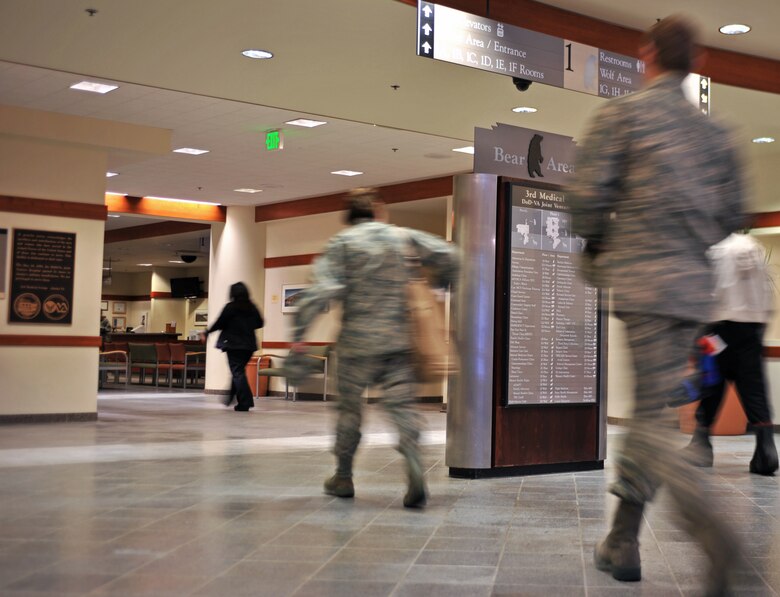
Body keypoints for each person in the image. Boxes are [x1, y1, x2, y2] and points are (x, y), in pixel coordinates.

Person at [570, 15, 746, 594]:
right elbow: (731, 218)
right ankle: (622, 540)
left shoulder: (623, 115)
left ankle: (713, 527)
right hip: (692, 293)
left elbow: (586, 201)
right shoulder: (715, 135)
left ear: (647, 52)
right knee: (650, 413)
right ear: (697, 62)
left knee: (648, 428)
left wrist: (601, 240)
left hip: (643, 289)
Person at [292, 189, 459, 508]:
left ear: (348, 214)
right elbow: (451, 255)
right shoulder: (403, 237)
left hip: (356, 346)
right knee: (402, 408)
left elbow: (319, 293)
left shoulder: (341, 244)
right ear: (379, 210)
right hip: (398, 344)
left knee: (349, 413)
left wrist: (299, 338)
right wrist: (442, 284)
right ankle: (412, 459)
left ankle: (343, 476)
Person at [687, 232, 778, 475]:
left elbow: (717, 289)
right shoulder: (752, 245)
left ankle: (701, 446)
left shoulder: (717, 248)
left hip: (721, 327)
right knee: (754, 388)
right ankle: (765, 450)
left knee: (711, 383)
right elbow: (765, 294)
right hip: (752, 329)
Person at [201, 282, 264, 411]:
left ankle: (245, 402)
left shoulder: (231, 307)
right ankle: (232, 397)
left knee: (237, 372)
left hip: (233, 345)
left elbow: (219, 323)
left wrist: (206, 332)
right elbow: (260, 323)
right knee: (238, 371)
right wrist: (247, 326)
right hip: (249, 346)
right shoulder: (252, 307)